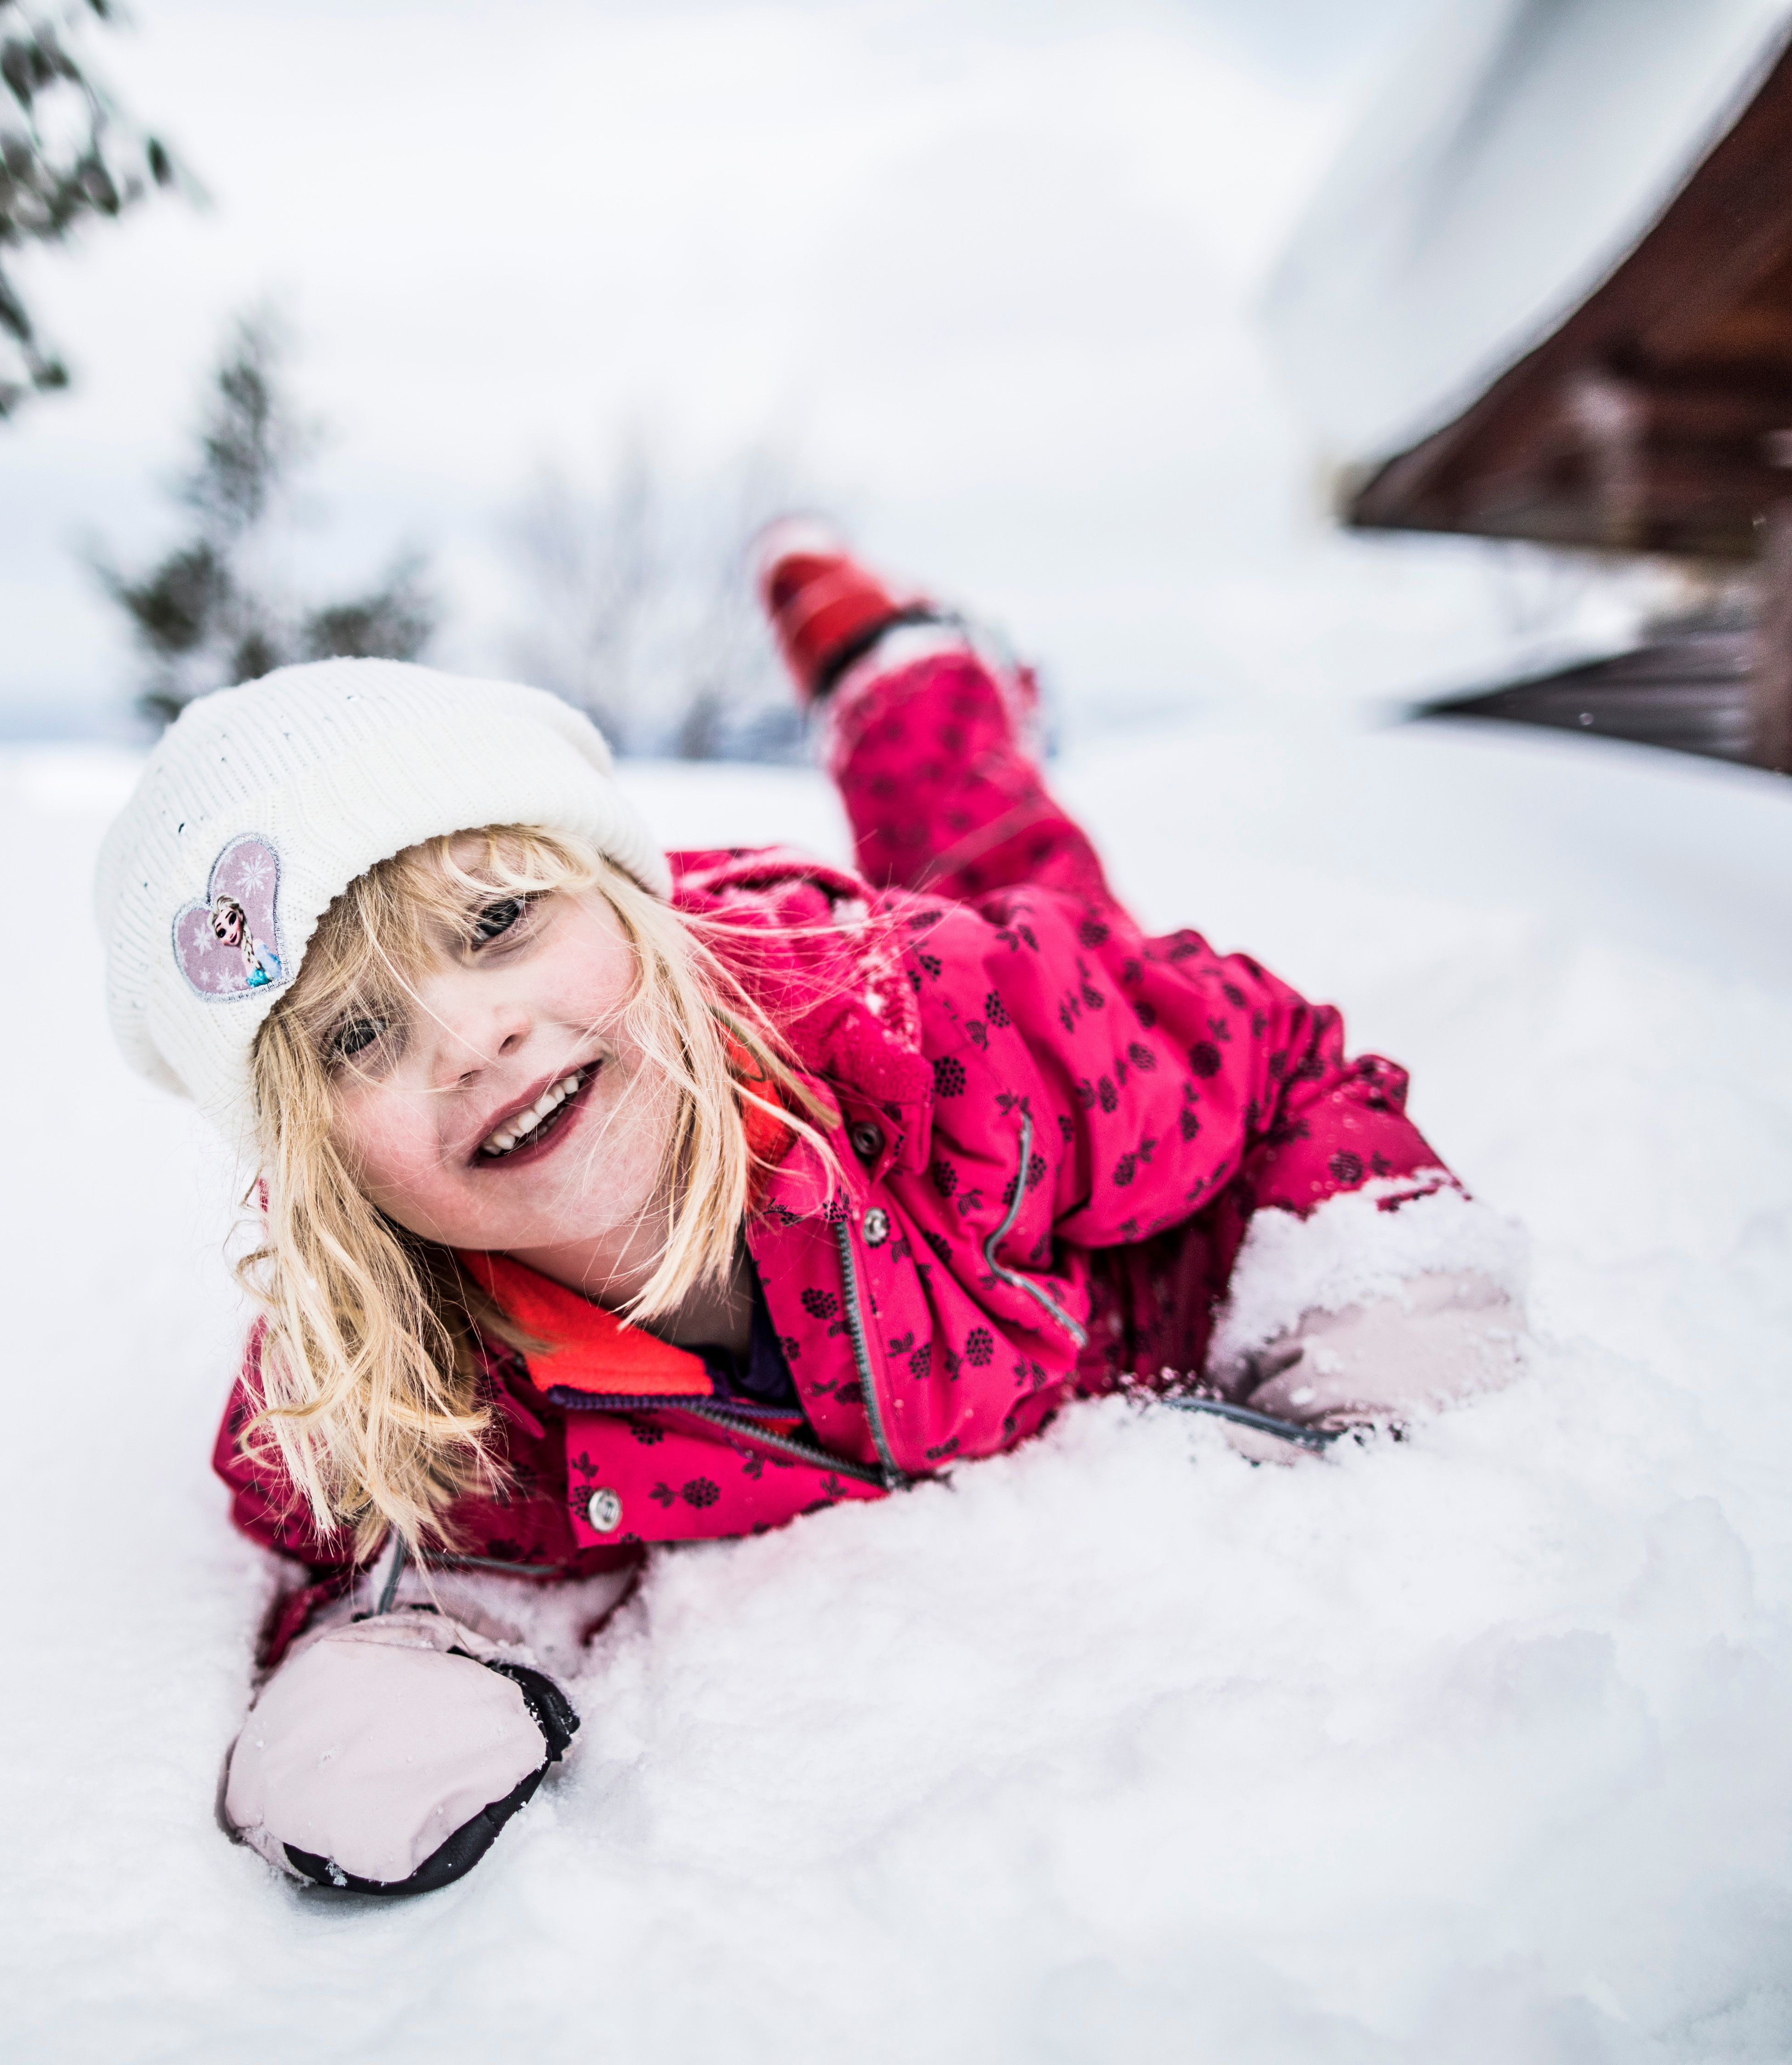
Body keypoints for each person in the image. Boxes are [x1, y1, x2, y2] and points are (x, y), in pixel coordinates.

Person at [90, 528, 1527, 1897]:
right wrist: (382, 1688)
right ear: (317, 1165)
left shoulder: (942, 1035)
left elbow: (1276, 1065)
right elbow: (362, 1547)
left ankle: (895, 665)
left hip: (911, 1013)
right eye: (357, 1040)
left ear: (621, 899)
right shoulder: (407, 1373)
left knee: (1009, 870)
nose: (474, 1039)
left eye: (498, 923)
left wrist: (1369, 1273)